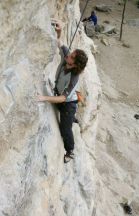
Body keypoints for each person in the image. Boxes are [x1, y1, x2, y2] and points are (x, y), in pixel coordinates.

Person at [37, 22, 88, 163]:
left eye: (71, 56)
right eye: (71, 53)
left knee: (65, 128)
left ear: (75, 64)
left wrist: (44, 98)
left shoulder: (74, 77)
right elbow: (60, 43)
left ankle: (70, 151)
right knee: (62, 112)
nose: (68, 55)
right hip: (60, 96)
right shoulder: (66, 56)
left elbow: (62, 99)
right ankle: (72, 117)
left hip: (68, 104)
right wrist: (59, 32)